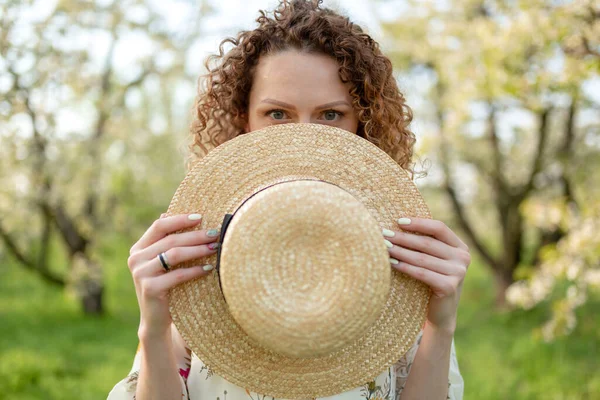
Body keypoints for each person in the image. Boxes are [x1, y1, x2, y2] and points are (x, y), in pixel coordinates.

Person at [108, 1, 469, 399]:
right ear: (245, 120)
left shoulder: (406, 264)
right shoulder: (197, 253)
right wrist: (154, 330)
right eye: (278, 113)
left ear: (361, 125)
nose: (305, 137)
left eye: (331, 115)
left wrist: (440, 326)